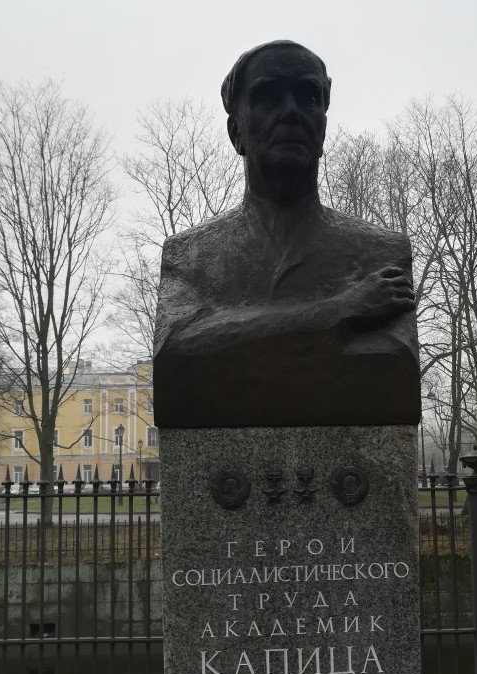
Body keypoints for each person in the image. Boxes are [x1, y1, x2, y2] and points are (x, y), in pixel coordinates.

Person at [153, 41, 420, 428]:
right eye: (267, 97)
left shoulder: (381, 252)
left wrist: (239, 339)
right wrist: (338, 312)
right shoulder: (188, 256)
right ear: (236, 132)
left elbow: (392, 361)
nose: (292, 112)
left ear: (323, 127)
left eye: (308, 96)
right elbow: (178, 355)